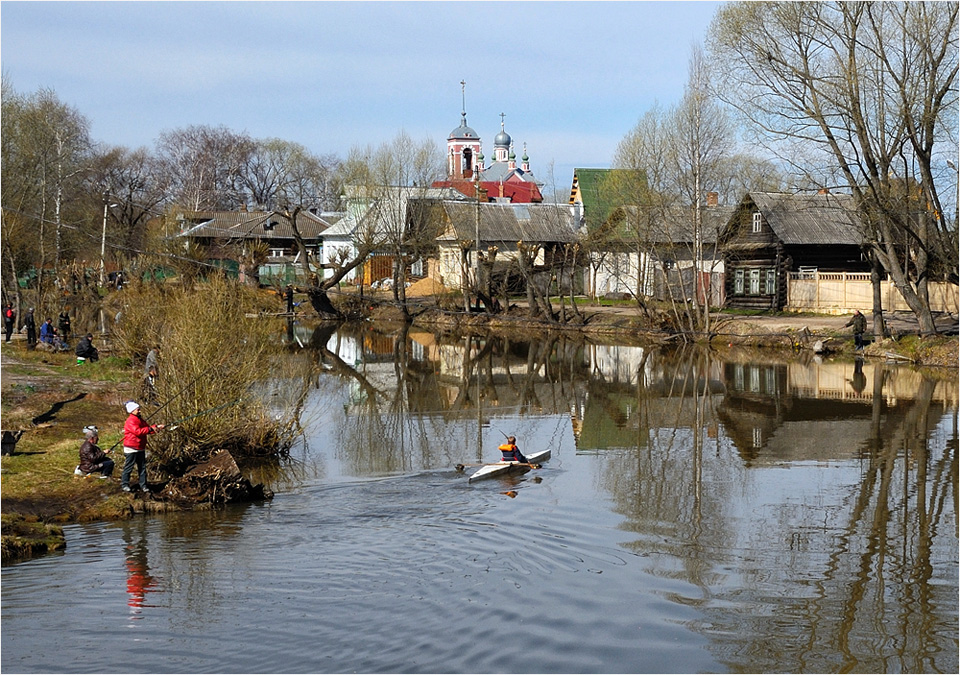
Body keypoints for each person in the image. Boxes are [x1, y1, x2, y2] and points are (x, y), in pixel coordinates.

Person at [121, 401, 164, 493]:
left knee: (142, 468)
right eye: (137, 409)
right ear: (132, 410)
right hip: (131, 447)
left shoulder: (140, 419)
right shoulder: (131, 420)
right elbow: (138, 431)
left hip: (140, 447)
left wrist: (156, 428)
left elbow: (147, 429)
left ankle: (143, 486)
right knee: (129, 467)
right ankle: (125, 485)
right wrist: (151, 428)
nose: (139, 411)